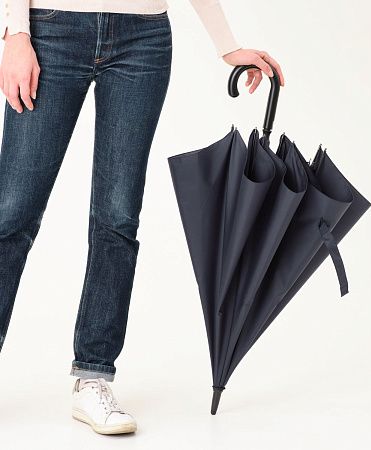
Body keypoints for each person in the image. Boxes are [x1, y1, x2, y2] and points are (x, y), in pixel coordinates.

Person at [0, 0, 285, 435]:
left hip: (143, 38)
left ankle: (93, 374)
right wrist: (17, 34)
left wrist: (227, 44)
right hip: (52, 29)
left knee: (117, 217)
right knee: (12, 212)